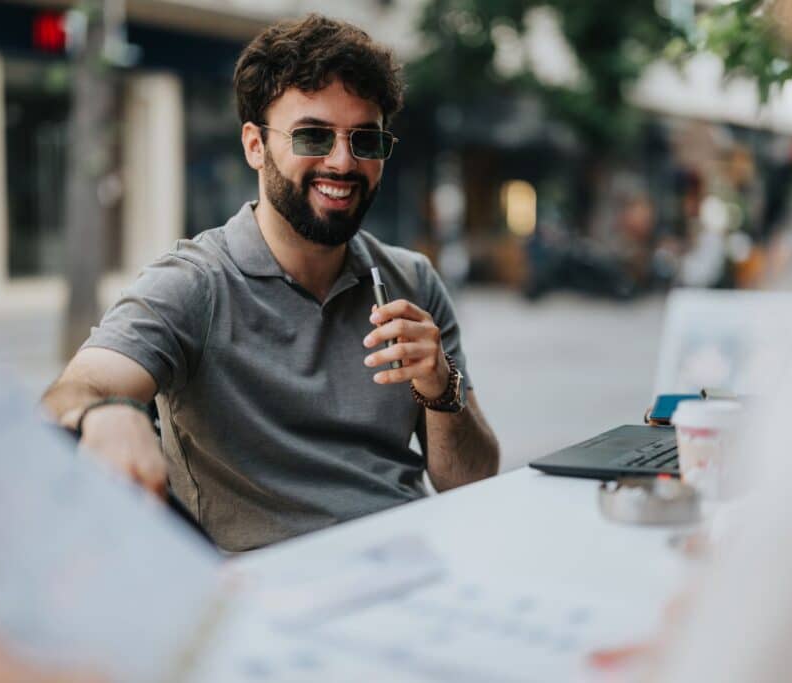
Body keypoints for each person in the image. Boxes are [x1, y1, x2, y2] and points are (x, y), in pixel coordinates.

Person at [42, 14, 500, 552]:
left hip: (412, 565)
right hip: (270, 597)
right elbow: (74, 390)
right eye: (313, 135)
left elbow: (472, 486)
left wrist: (440, 387)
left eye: (365, 140)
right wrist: (106, 414)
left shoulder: (411, 279)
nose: (342, 161)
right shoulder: (196, 283)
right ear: (255, 145)